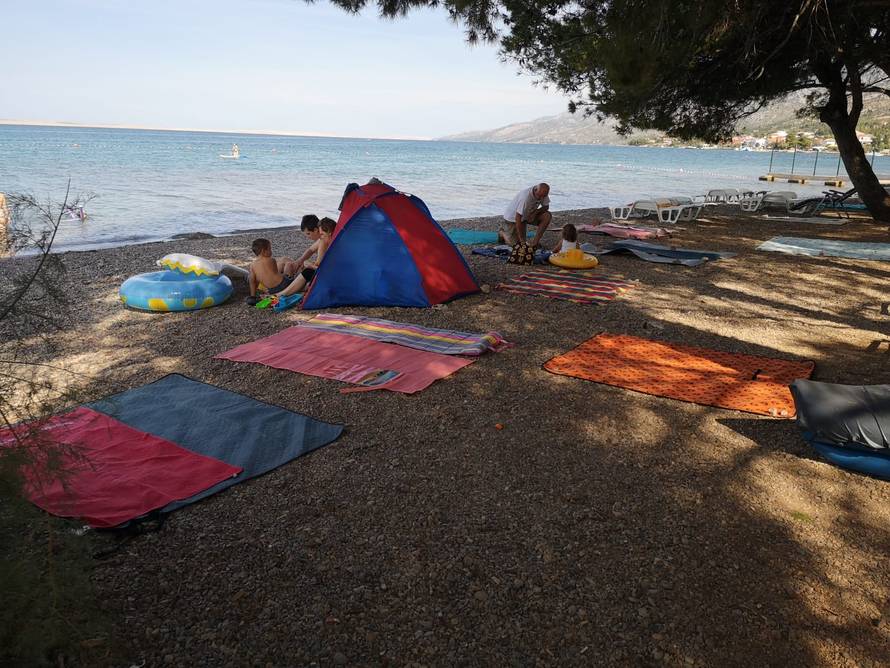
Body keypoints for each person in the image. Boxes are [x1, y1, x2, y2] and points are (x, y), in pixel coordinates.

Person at [277, 216, 335, 297]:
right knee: (286, 261)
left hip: (328, 276)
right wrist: (300, 261)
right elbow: (310, 250)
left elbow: (320, 266)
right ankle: (283, 288)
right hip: (327, 272)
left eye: (321, 234)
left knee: (306, 271)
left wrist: (308, 264)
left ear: (329, 232)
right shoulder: (328, 240)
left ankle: (281, 292)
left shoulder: (324, 241)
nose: (321, 236)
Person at [246, 238, 297, 305]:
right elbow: (277, 274)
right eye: (270, 249)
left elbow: (252, 280)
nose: (271, 251)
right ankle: (297, 275)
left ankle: (252, 297)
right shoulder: (271, 260)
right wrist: (286, 274)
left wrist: (254, 294)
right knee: (289, 265)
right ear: (263, 251)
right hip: (283, 285)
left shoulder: (252, 265)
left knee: (252, 276)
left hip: (271, 290)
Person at [501, 183, 552, 248]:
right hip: (512, 219)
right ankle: (502, 233)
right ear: (535, 190)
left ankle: (535, 243)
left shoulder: (543, 193)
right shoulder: (525, 198)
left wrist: (536, 212)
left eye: (543, 196)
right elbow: (518, 218)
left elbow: (546, 207)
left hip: (527, 215)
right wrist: (522, 240)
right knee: (516, 245)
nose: (541, 198)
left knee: (547, 216)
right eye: (539, 196)